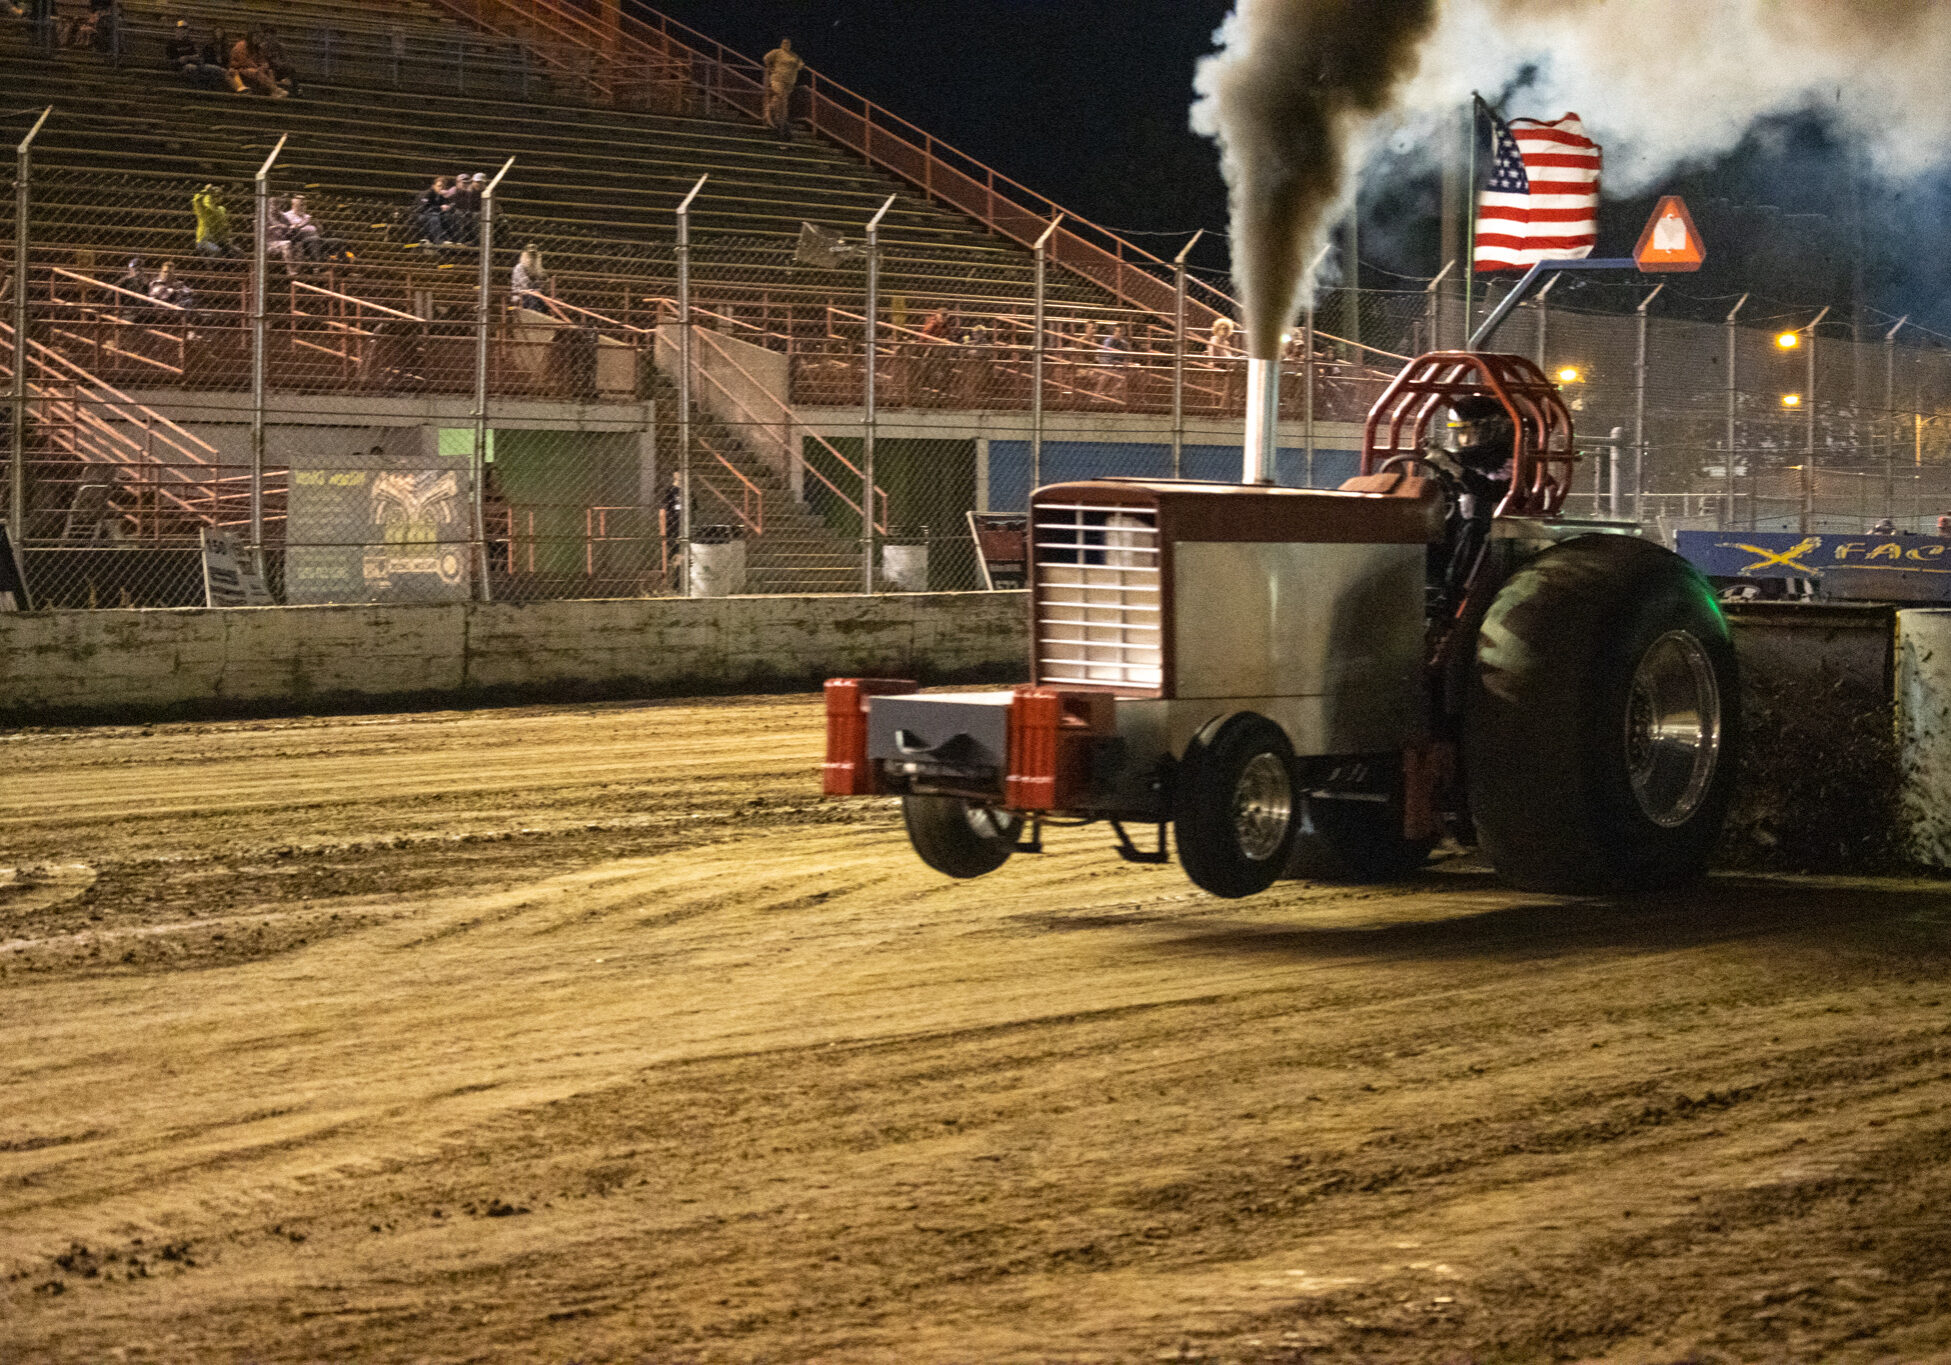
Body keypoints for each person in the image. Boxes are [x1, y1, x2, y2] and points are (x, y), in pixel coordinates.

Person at [165, 20, 227, 89]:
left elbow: (197, 56)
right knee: (191, 68)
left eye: (185, 29)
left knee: (217, 69)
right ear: (176, 30)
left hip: (196, 65)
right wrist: (179, 60)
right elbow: (169, 61)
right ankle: (203, 89)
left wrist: (191, 58)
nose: (183, 31)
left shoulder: (190, 43)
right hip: (181, 67)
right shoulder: (171, 44)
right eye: (181, 29)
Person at [761, 37, 802, 140]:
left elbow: (800, 64)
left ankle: (773, 115)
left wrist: (798, 66)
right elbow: (766, 58)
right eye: (784, 42)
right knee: (779, 96)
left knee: (783, 100)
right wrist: (771, 68)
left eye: (788, 43)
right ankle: (775, 116)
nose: (786, 44)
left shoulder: (794, 55)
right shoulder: (777, 52)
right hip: (778, 78)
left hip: (790, 81)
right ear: (781, 43)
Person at [227, 30, 285, 97]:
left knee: (270, 71)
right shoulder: (241, 45)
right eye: (255, 37)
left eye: (258, 37)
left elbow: (261, 59)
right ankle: (275, 89)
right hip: (239, 68)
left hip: (251, 67)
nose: (257, 39)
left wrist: (264, 65)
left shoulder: (256, 47)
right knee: (257, 72)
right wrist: (257, 67)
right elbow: (243, 61)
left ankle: (272, 92)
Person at [191, 184, 234, 257]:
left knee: (236, 252)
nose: (217, 198)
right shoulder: (203, 209)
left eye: (218, 195)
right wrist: (206, 191)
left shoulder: (221, 210)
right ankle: (210, 266)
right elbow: (196, 200)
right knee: (217, 251)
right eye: (214, 196)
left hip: (217, 239)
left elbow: (224, 226)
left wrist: (226, 236)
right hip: (204, 240)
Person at [413, 176, 453, 246]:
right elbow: (423, 208)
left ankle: (449, 238)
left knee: (447, 216)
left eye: (443, 187)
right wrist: (440, 208)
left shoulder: (440, 196)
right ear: (433, 186)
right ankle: (439, 240)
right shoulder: (427, 194)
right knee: (434, 217)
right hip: (420, 214)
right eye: (439, 186)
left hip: (433, 214)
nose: (441, 188)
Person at [511, 246, 553, 312]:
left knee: (540, 300)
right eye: (530, 255)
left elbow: (546, 284)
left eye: (534, 255)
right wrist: (537, 287)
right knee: (534, 298)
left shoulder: (539, 268)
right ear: (525, 255)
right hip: (521, 294)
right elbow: (526, 284)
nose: (532, 257)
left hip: (537, 294)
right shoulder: (519, 267)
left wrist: (538, 288)